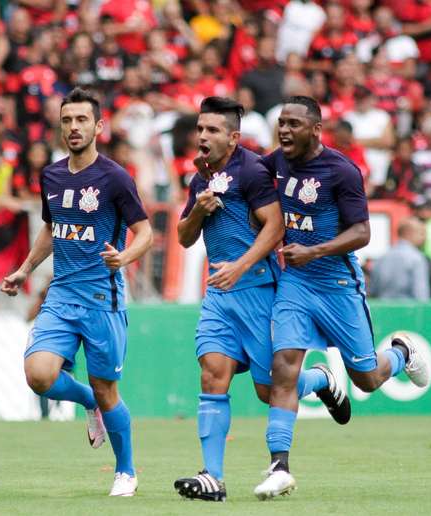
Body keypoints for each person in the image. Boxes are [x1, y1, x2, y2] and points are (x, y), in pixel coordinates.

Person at [172, 97, 350, 503]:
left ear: (233, 137)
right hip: (220, 296)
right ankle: (212, 477)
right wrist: (198, 212)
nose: (202, 136)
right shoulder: (199, 180)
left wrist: (240, 265)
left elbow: (275, 228)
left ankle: (321, 379)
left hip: (258, 290)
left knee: (270, 391)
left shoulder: (251, 170)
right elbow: (183, 238)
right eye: (200, 129)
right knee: (212, 373)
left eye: (212, 130)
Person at [256, 96, 429, 499]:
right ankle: (279, 467)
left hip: (337, 285)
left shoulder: (341, 171)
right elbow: (247, 179)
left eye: (294, 124)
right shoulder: (275, 163)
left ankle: (401, 352)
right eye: (281, 122)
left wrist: (313, 250)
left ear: (315, 130)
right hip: (295, 284)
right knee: (283, 369)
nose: (284, 130)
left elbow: (362, 233)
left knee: (366, 379)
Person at [0, 88, 153, 498]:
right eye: (67, 120)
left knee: (109, 390)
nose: (73, 127)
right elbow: (53, 228)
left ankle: (125, 471)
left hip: (103, 298)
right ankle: (88, 402)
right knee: (39, 375)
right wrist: (25, 269)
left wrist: (125, 257)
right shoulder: (50, 175)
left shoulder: (115, 178)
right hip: (63, 294)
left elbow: (146, 232)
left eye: (81, 120)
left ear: (98, 127)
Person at [369, 217, 431, 300]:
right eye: (421, 234)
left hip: (384, 310)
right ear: (409, 233)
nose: (424, 238)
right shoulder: (417, 258)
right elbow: (421, 295)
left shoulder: (382, 258)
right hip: (409, 311)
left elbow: (373, 291)